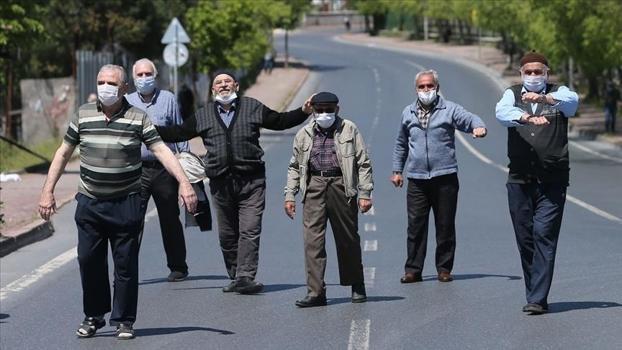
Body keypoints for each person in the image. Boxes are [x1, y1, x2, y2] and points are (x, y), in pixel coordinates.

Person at [38, 64, 197, 339]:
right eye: (101, 81)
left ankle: (124, 319)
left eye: (111, 83)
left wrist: (184, 182)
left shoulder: (138, 117)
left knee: (125, 264)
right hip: (90, 202)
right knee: (89, 260)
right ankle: (94, 315)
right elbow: (64, 153)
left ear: (124, 88)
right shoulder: (83, 115)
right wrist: (47, 190)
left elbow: (161, 150)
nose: (105, 87)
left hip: (126, 202)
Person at [156, 70, 313, 294]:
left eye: (227, 81)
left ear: (236, 86)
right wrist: (145, 128)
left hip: (252, 181)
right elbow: (177, 133)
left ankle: (246, 276)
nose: (223, 85)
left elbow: (280, 121)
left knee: (249, 230)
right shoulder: (204, 115)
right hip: (220, 184)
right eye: (218, 82)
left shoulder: (252, 107)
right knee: (227, 235)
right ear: (212, 90)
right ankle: (235, 275)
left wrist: (303, 111)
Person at [495, 51, 579, 315]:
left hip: (553, 179)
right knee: (525, 237)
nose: (533, 76)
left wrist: (543, 98)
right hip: (520, 178)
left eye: (538, 71)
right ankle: (535, 292)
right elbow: (501, 112)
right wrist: (526, 117)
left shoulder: (558, 93)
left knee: (544, 234)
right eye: (528, 72)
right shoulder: (512, 94)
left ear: (547, 73)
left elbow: (572, 102)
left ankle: (538, 298)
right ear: (521, 74)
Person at [391, 69, 487, 285]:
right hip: (417, 179)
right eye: (422, 86)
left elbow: (469, 118)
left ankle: (444, 268)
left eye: (430, 86)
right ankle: (413, 270)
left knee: (445, 225)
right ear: (416, 89)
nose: (426, 90)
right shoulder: (408, 113)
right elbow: (401, 144)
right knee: (415, 226)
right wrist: (397, 171)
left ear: (437, 87)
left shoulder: (449, 109)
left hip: (445, 177)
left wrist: (478, 126)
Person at [284, 92, 373, 308]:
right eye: (320, 110)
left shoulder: (349, 129)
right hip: (314, 185)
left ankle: (356, 284)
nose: (324, 114)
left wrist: (364, 193)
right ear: (313, 111)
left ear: (337, 110)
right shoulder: (304, 133)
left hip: (341, 185)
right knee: (312, 242)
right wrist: (290, 195)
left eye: (328, 110)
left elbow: (363, 163)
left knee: (347, 238)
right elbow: (295, 166)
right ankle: (316, 292)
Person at [125, 58, 191, 282]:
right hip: (136, 170)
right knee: (132, 220)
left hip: (164, 169)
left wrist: (186, 169)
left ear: (155, 75)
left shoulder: (168, 99)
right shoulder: (126, 101)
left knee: (170, 218)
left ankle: (178, 266)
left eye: (148, 74)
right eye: (140, 75)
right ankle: (127, 269)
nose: (144, 78)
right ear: (133, 79)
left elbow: (179, 131)